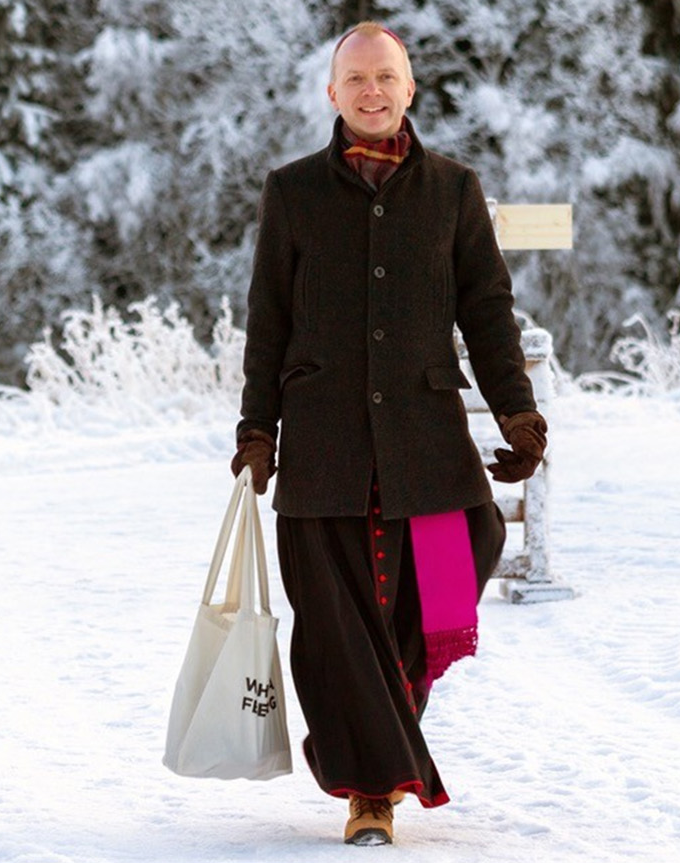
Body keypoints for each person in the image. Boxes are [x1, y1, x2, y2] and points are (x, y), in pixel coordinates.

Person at [230, 21, 548, 847]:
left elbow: (486, 311)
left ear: (410, 88)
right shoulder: (293, 191)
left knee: (461, 563)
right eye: (356, 79)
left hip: (427, 447)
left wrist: (515, 410)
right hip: (325, 451)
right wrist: (257, 428)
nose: (372, 91)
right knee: (336, 629)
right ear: (332, 95)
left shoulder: (452, 189)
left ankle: (380, 749)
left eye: (387, 76)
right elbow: (268, 319)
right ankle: (372, 790)